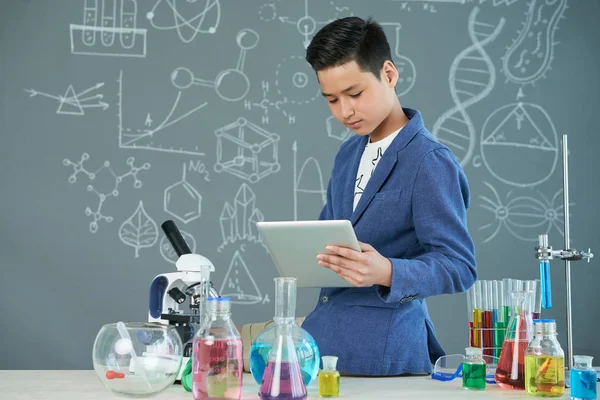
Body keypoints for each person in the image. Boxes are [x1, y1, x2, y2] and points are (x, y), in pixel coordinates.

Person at [241, 16, 477, 377]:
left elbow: (459, 266)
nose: (344, 111)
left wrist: (387, 271)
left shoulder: (429, 161)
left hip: (386, 354)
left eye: (355, 94)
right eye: (332, 99)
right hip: (322, 348)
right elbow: (329, 237)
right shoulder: (347, 155)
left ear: (389, 74)